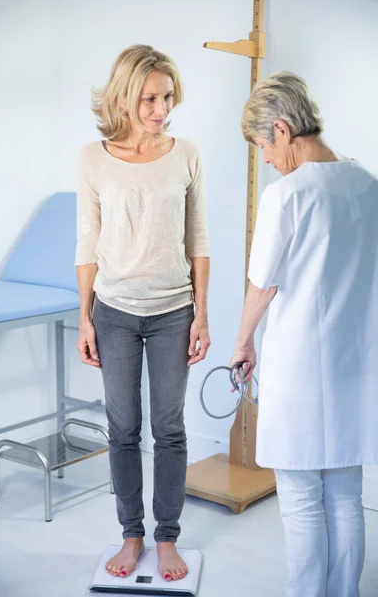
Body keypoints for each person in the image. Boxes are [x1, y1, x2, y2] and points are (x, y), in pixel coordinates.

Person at [230, 71, 378, 597]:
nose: (266, 160)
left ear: (282, 129)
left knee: (298, 499)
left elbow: (262, 285)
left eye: (262, 148)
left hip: (298, 369)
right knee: (343, 496)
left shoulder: (287, 194)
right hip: (355, 365)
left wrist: (242, 342)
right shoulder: (367, 183)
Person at [75, 44, 210, 583]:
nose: (161, 109)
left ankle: (167, 537)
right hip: (112, 312)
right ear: (125, 97)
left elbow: (198, 238)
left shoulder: (186, 154)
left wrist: (202, 314)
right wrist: (85, 318)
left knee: (169, 427)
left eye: (167, 97)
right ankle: (132, 535)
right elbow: (87, 243)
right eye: (150, 97)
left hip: (174, 310)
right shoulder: (92, 157)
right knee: (123, 428)